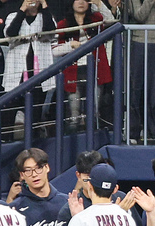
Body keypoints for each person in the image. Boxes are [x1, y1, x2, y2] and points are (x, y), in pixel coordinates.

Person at [56, 0, 117, 133]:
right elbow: (54, 50)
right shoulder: (63, 24)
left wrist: (100, 4)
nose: (81, 2)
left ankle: (92, 146)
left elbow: (112, 23)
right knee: (74, 115)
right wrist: (70, 45)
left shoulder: (97, 18)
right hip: (73, 72)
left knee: (94, 111)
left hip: (96, 71)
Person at [2, 0, 58, 138]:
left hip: (38, 79)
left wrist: (44, 6)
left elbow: (50, 31)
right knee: (8, 118)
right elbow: (10, 33)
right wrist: (22, 10)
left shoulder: (46, 16)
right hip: (16, 78)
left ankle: (33, 148)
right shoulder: (13, 16)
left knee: (34, 119)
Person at [121, 0, 155, 141]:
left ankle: (153, 130)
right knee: (136, 88)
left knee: (154, 89)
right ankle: (134, 131)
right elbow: (139, 16)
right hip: (138, 42)